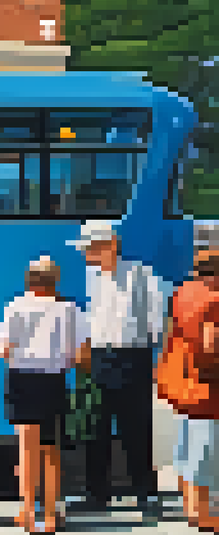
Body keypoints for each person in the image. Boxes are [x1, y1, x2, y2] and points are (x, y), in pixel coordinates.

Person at [72, 220, 167, 515]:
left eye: (90, 248)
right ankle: (97, 494)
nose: (86, 255)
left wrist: (156, 356)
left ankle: (144, 492)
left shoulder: (143, 275)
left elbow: (157, 319)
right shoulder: (92, 277)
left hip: (133, 357)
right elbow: (90, 318)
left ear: (110, 245)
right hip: (99, 358)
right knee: (96, 428)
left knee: (136, 428)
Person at [0, 256, 89, 535]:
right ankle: (51, 514)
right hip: (53, 380)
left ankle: (27, 511)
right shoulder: (69, 309)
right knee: (51, 449)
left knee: (26, 448)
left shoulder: (15, 306)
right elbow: (81, 355)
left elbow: (4, 350)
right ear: (55, 280)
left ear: (30, 280)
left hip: (21, 379)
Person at [170, 249, 219, 532]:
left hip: (184, 380)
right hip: (207, 382)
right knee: (205, 447)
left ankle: (190, 506)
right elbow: (211, 344)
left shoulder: (183, 294)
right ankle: (204, 514)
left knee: (187, 444)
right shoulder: (213, 299)